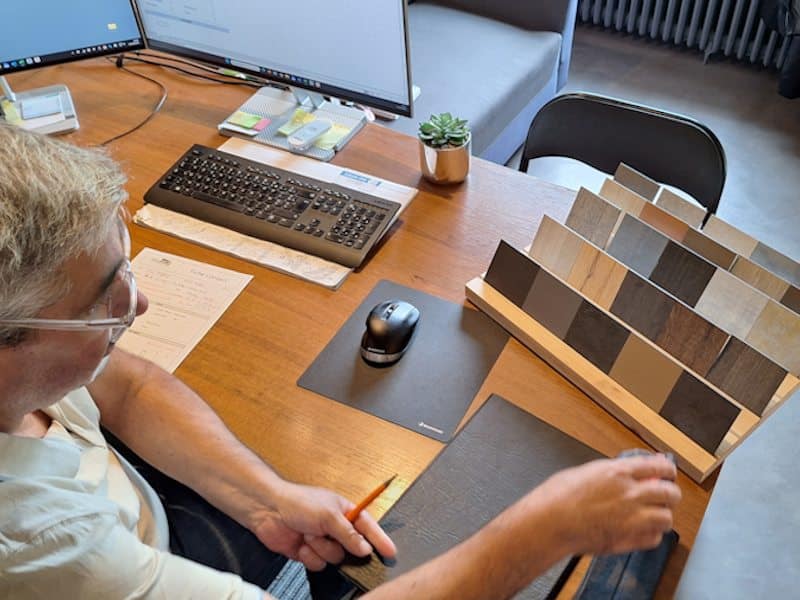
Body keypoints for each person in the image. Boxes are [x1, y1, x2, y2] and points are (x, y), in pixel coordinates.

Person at [0, 123, 681, 599]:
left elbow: (127, 389)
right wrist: (541, 533)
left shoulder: (36, 365)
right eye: (104, 301)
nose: (138, 306)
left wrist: (269, 499)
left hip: (140, 523)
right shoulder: (45, 546)